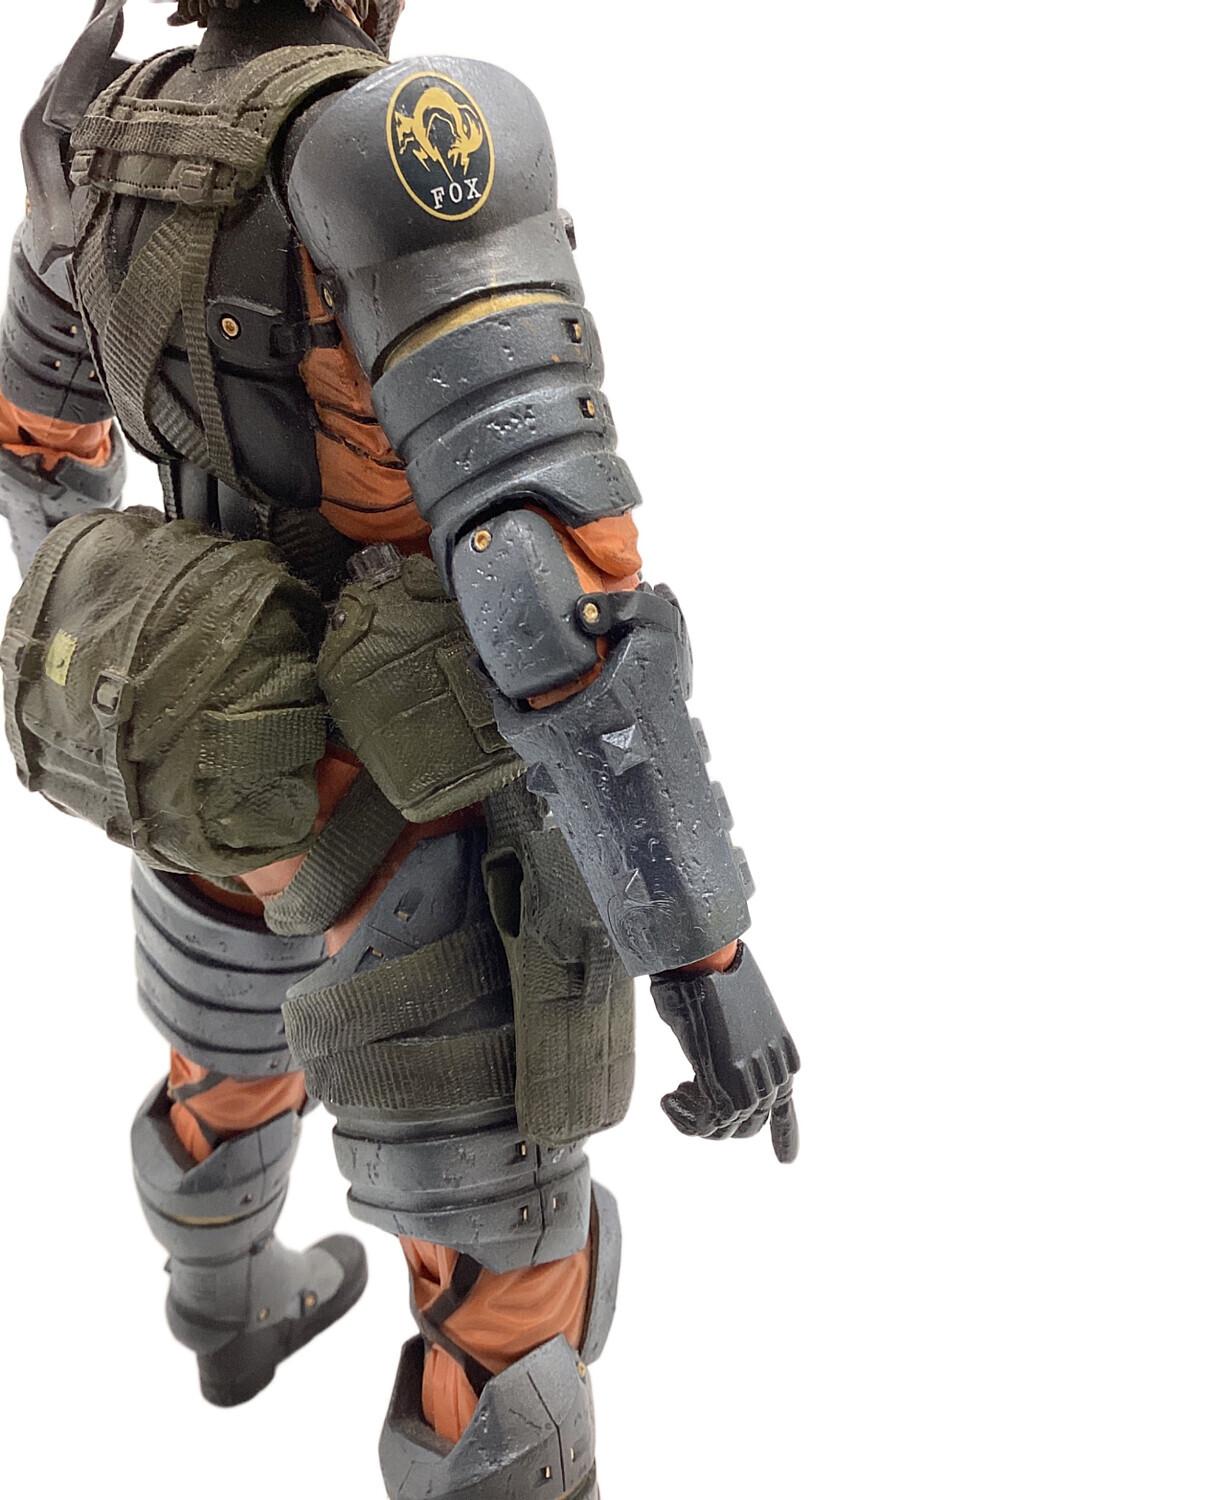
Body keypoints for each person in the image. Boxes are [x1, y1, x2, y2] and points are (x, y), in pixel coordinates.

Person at [0, 2, 801, 1495]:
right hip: (405, 792)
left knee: (222, 1052)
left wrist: (129, 654)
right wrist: (702, 949)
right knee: (509, 1273)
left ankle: (225, 1308)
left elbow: (38, 453)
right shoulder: (402, 147)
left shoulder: (97, 125)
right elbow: (542, 583)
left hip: (192, 736)